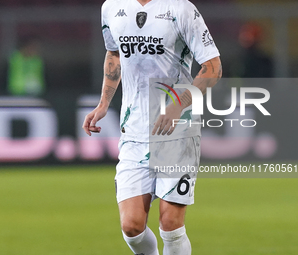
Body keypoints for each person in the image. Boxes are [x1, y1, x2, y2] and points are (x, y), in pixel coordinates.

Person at [83, 0, 222, 254]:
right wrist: (103, 104)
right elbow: (114, 53)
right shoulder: (111, 7)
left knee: (170, 224)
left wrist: (178, 104)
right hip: (134, 131)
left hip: (178, 130)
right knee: (132, 226)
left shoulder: (181, 8)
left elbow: (213, 67)